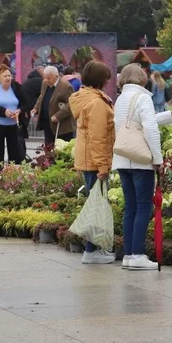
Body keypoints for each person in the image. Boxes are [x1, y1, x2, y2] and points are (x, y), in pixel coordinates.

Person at [112, 65, 172, 270]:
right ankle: (138, 254)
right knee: (144, 206)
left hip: (123, 158)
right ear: (143, 79)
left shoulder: (120, 99)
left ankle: (129, 254)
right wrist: (158, 158)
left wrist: (170, 114)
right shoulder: (143, 98)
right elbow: (150, 129)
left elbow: (136, 123)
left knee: (130, 207)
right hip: (141, 160)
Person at [69, 61, 116, 264]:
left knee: (94, 202)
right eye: (106, 77)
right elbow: (98, 137)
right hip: (95, 161)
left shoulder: (86, 98)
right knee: (96, 204)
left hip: (88, 159)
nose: (108, 80)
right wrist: (103, 166)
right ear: (100, 79)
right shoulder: (96, 103)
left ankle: (92, 249)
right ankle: (91, 250)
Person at [0, 65, 27, 171]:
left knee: (15, 154)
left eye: (9, 75)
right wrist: (4, 111)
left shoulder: (16, 87)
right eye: (5, 76)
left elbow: (26, 103)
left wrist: (19, 110)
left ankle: (13, 179)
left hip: (13, 126)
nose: (8, 78)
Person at [32, 66, 74, 145]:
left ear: (56, 76)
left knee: (60, 149)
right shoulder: (45, 83)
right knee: (48, 148)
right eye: (45, 77)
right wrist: (36, 108)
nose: (46, 80)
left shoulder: (66, 86)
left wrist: (58, 116)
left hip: (61, 126)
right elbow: (41, 96)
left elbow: (71, 104)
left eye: (49, 78)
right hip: (47, 123)